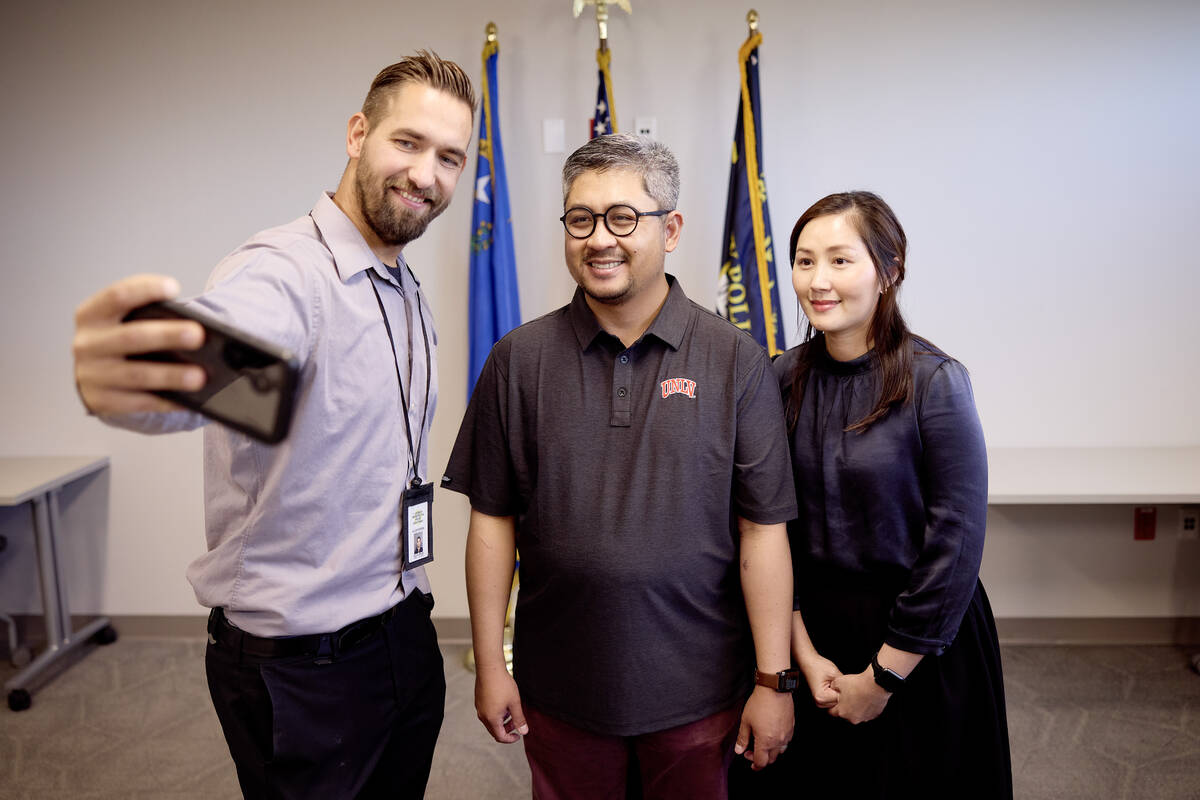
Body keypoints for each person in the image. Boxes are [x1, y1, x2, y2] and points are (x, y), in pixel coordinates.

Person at [70, 52, 476, 799]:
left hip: (401, 625)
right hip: (302, 664)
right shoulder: (288, 275)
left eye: (450, 157)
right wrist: (132, 382)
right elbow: (219, 364)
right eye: (408, 143)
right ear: (358, 133)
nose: (427, 174)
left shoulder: (403, 288)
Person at [441, 133, 801, 800]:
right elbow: (492, 522)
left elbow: (763, 532)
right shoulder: (518, 361)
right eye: (580, 219)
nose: (598, 238)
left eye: (623, 217)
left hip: (699, 693)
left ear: (672, 229)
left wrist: (772, 681)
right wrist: (490, 664)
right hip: (562, 689)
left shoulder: (735, 361)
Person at [729, 191, 1012, 798]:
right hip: (805, 634)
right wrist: (800, 653)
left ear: (888, 272)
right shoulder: (778, 379)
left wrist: (883, 677)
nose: (817, 280)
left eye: (839, 260)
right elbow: (763, 523)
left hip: (918, 644)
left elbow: (956, 547)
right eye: (804, 262)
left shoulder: (937, 383)